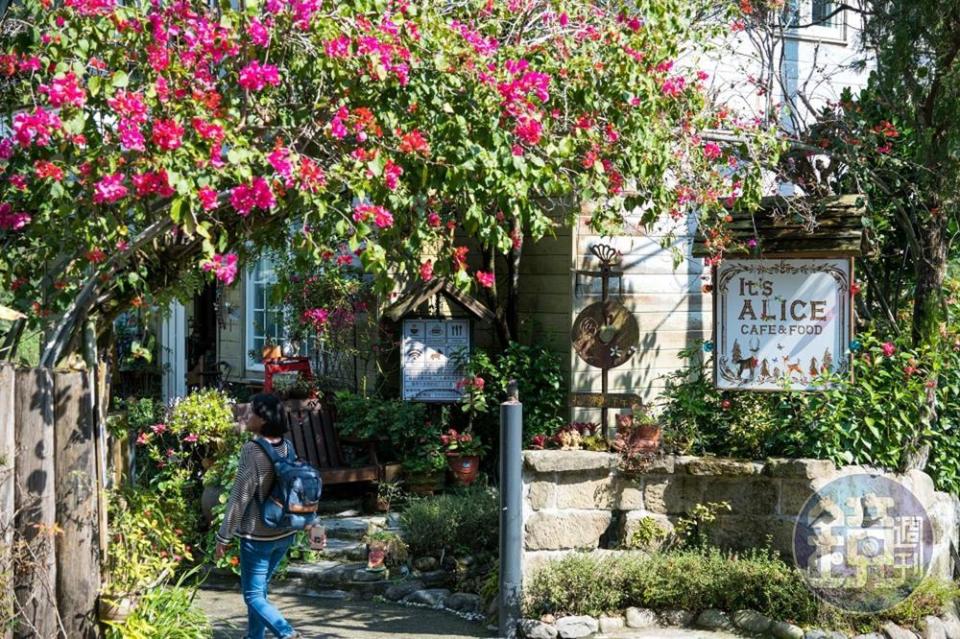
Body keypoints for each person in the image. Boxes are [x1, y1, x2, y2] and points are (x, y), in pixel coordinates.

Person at [215, 393, 325, 639]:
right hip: (285, 531)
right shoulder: (287, 446)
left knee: (252, 596)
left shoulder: (252, 451)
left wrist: (223, 537)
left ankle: (286, 633)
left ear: (263, 420)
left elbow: (240, 496)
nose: (247, 415)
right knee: (260, 591)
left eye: (252, 412)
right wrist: (313, 524)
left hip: (258, 536)